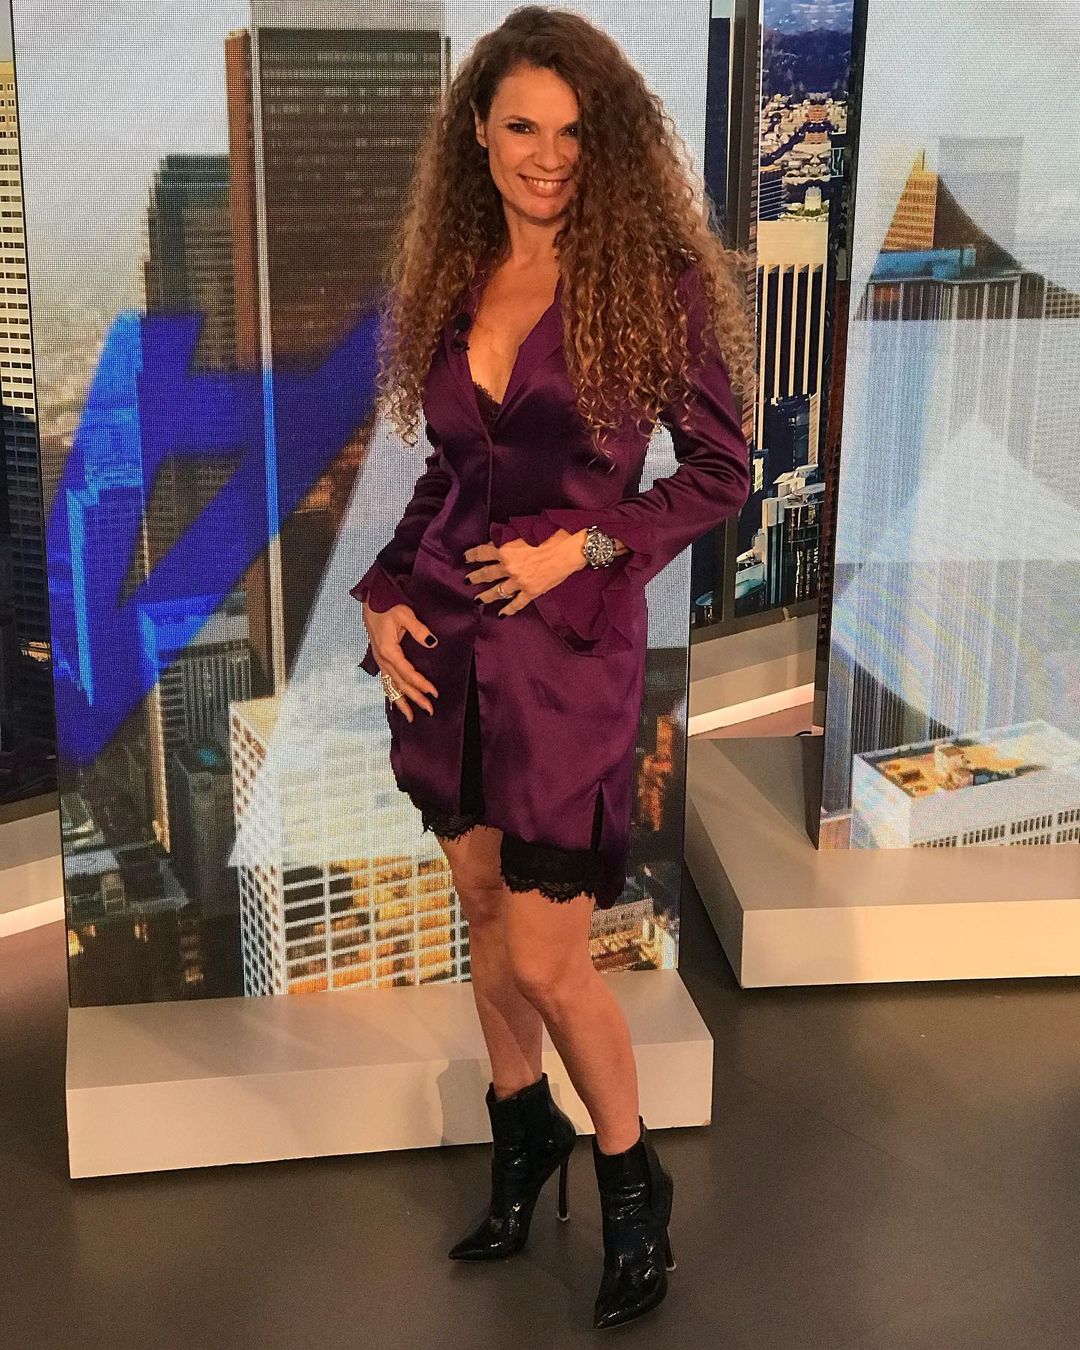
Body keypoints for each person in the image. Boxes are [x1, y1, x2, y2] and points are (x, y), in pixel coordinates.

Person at [349, 4, 753, 1330]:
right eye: (522, 126)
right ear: (478, 130)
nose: (547, 155)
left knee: (546, 959)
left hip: (566, 658)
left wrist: (583, 543)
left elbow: (720, 472)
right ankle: (521, 1135)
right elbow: (448, 480)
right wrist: (381, 597)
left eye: (574, 132)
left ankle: (634, 1180)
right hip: (447, 651)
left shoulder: (649, 283)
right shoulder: (459, 275)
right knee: (480, 907)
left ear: (606, 141)